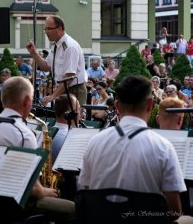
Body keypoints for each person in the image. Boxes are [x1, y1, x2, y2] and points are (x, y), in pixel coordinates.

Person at [78, 76, 190, 223]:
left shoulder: (94, 142)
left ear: (117, 106)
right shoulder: (164, 147)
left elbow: (83, 191)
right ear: (150, 104)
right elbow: (174, 211)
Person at [0, 76, 75, 223]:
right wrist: (46, 191)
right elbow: (34, 190)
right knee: (72, 209)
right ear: (27, 101)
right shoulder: (23, 134)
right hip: (16, 205)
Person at [26, 16, 87, 106]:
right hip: (62, 89)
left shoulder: (69, 46)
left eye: (49, 29)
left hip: (74, 90)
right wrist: (34, 53)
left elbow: (69, 77)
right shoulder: (56, 45)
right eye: (45, 29)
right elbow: (46, 67)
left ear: (60, 29)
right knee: (61, 119)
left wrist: (53, 96)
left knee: (70, 119)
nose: (46, 32)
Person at [52, 94, 80, 161]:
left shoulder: (44, 133)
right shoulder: (70, 139)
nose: (80, 113)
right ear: (71, 115)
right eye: (78, 109)